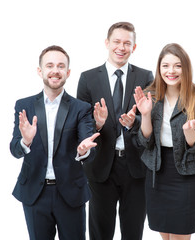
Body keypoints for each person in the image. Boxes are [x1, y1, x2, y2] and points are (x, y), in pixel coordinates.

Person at [10, 45, 99, 240]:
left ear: (67, 72)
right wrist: (25, 141)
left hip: (70, 193)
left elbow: (89, 147)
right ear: (40, 71)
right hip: (35, 192)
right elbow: (14, 149)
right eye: (49, 65)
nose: (55, 70)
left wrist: (83, 150)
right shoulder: (24, 105)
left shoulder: (81, 108)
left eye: (60, 66)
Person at [76, 22, 153, 240]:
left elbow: (150, 119)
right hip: (100, 167)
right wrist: (97, 124)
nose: (121, 47)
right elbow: (81, 124)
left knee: (133, 232)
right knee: (100, 232)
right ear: (107, 43)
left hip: (135, 167)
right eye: (117, 42)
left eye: (127, 43)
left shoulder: (146, 77)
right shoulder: (88, 78)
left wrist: (133, 122)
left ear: (134, 47)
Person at [134, 43, 195, 240]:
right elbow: (146, 142)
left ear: (185, 68)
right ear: (159, 68)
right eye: (166, 66)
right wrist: (144, 115)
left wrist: (189, 131)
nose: (171, 71)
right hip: (157, 173)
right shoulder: (150, 95)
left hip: (186, 173)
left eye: (177, 66)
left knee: (179, 236)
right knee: (165, 235)